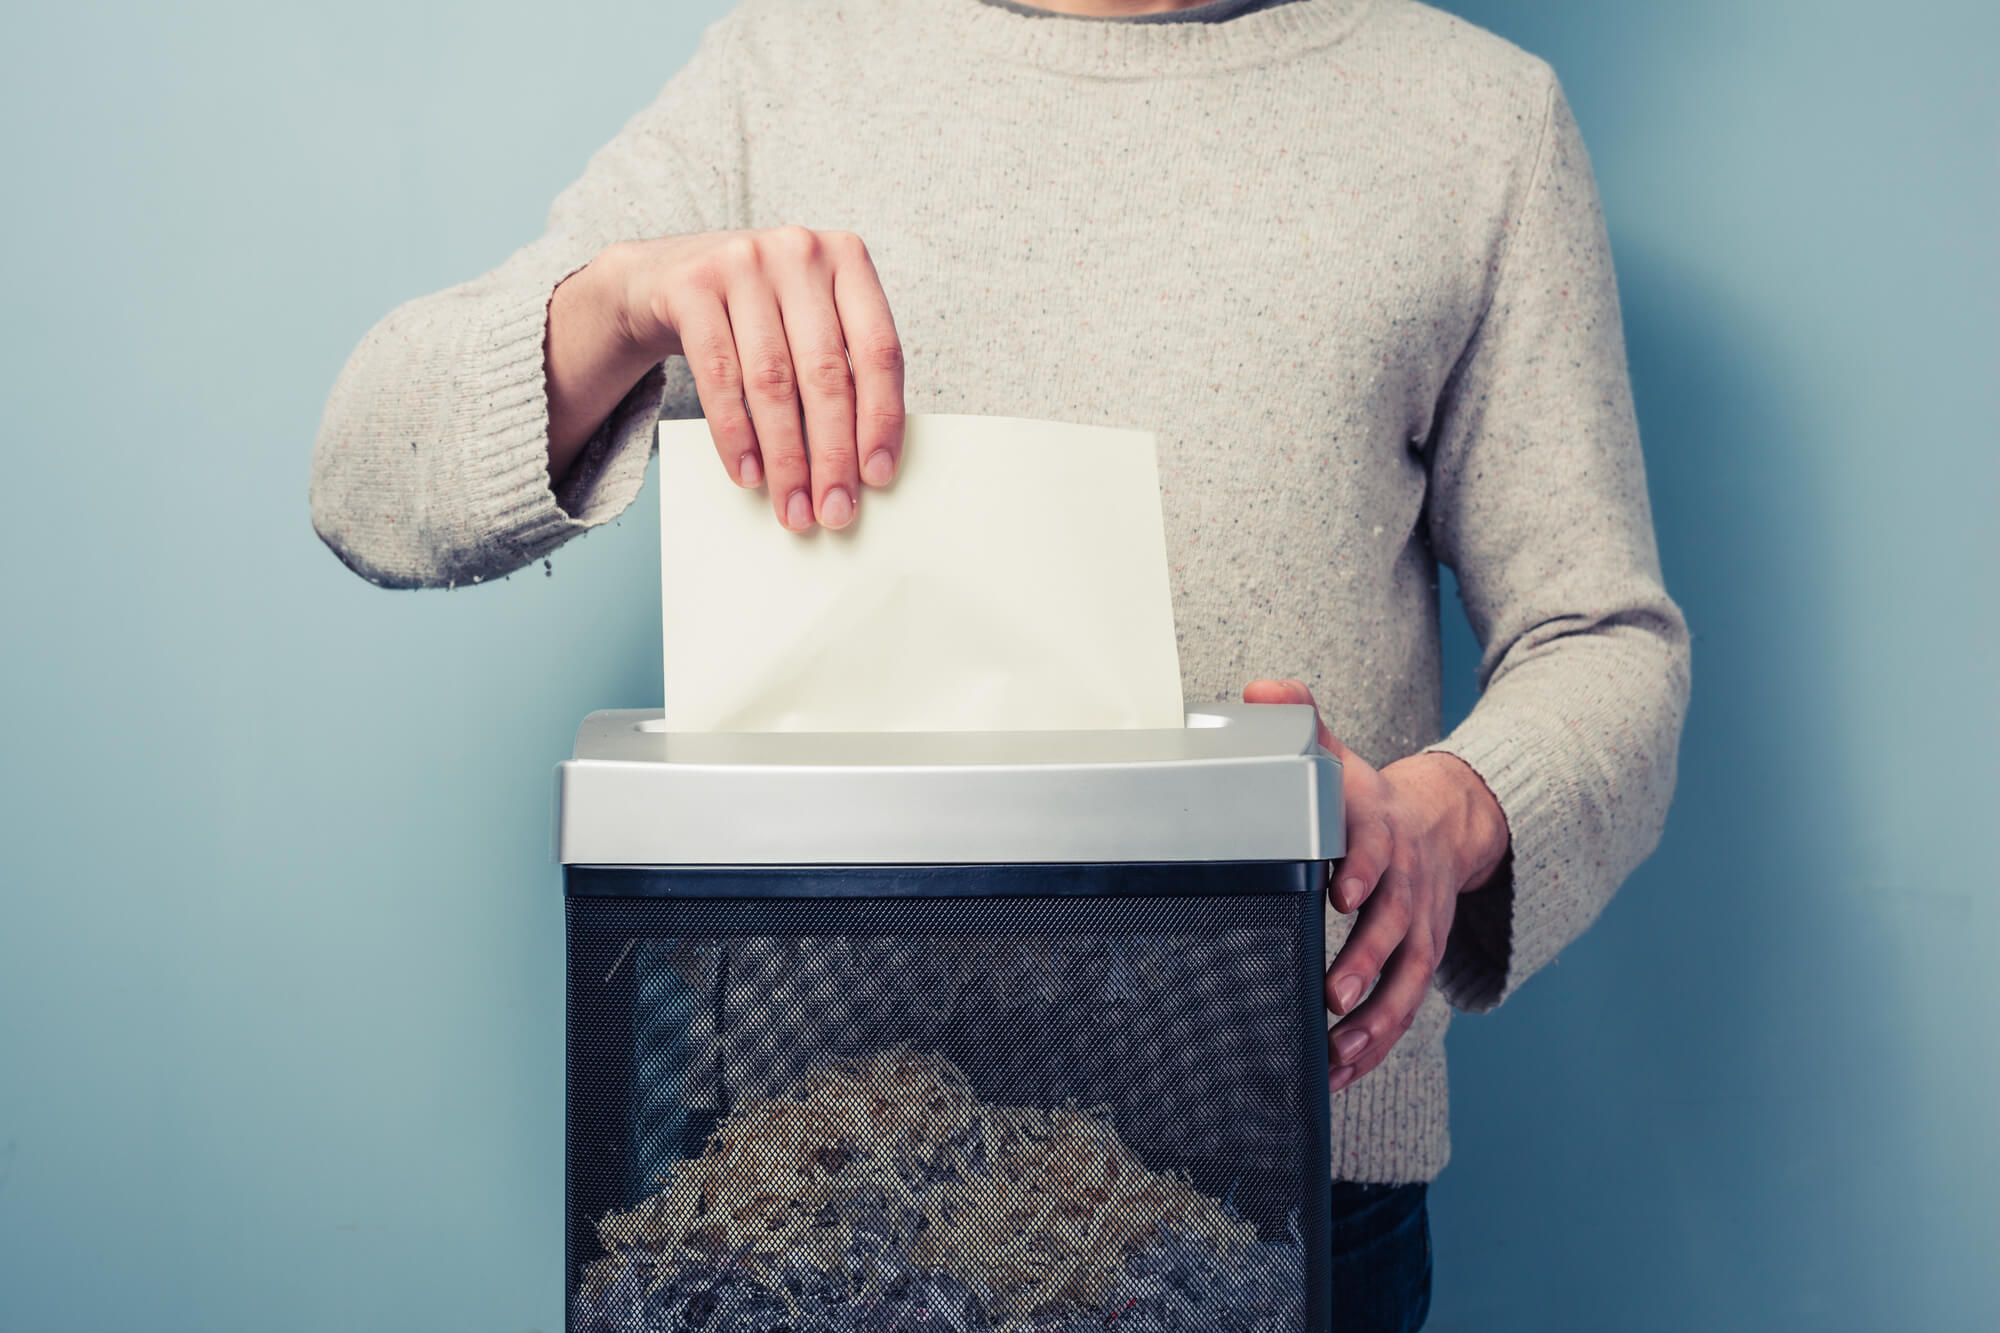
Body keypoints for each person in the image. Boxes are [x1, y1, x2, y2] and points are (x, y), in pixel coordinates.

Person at [308, 0, 1692, 1326]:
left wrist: (1450, 813)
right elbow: (367, 475)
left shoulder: (1478, 123)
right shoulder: (778, 77)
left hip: (1281, 1183)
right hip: (812, 1189)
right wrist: (620, 302)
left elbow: (1605, 641)